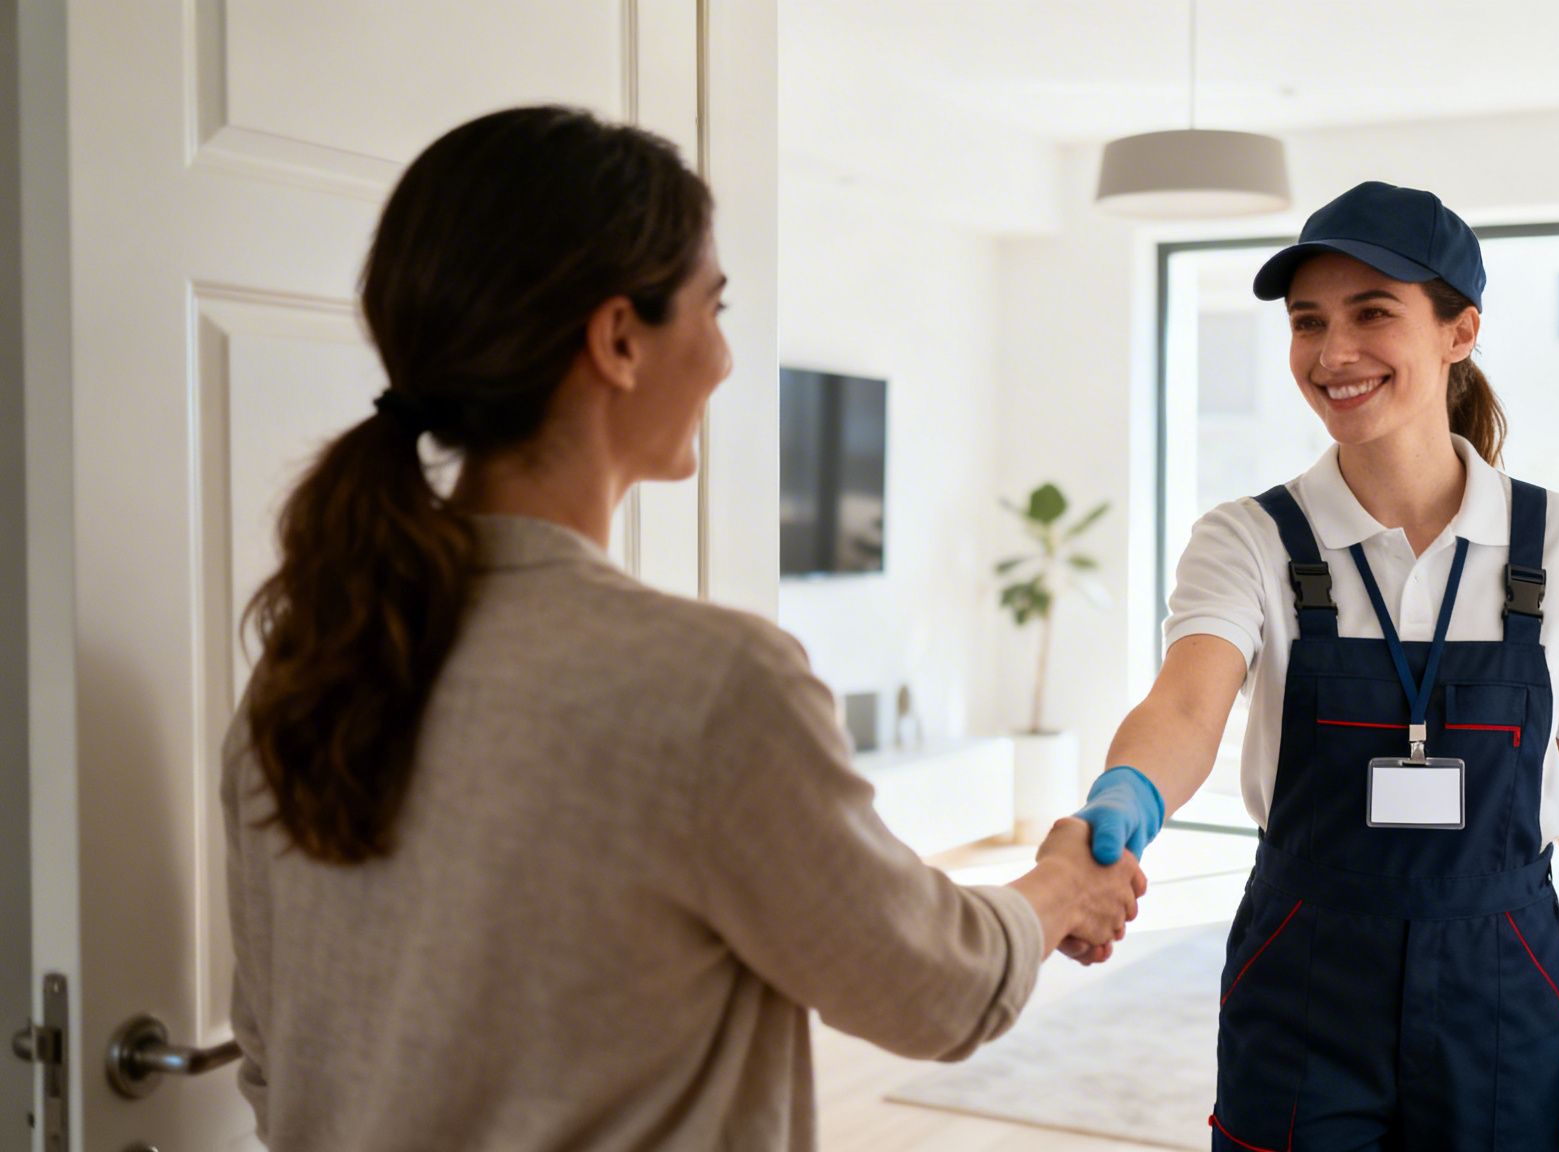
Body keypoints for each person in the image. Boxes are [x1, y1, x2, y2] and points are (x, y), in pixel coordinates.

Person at [221, 105, 1144, 1152]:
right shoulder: (708, 683)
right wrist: (1064, 881)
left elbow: (271, 1059)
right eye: (714, 307)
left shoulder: (301, 671)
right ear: (618, 338)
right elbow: (934, 990)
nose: (724, 357)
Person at [1074, 181, 1559, 1152]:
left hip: (1505, 983)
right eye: (1307, 322)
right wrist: (1126, 794)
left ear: (1459, 331)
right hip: (1304, 976)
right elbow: (1187, 704)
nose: (1332, 355)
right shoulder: (1247, 539)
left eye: (1372, 313)